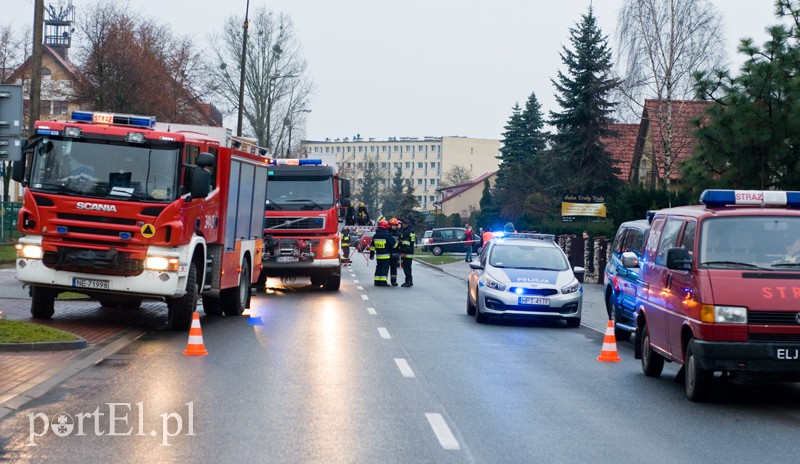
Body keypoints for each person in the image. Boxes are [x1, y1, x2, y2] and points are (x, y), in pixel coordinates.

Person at [370, 219, 396, 286]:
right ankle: (383, 282)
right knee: (384, 268)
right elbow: (394, 245)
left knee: (378, 267)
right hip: (386, 255)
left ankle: (377, 281)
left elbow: (372, 246)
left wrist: (371, 254)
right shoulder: (387, 235)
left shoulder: (375, 235)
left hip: (378, 255)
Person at [398, 220, 416, 287]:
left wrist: (404, 252)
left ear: (405, 224)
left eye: (402, 224)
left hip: (406, 252)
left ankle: (408, 281)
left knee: (406, 267)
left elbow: (406, 243)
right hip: (410, 251)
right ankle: (409, 281)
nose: (402, 225)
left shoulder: (406, 232)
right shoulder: (411, 231)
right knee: (408, 267)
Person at [388, 218, 402, 286]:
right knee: (385, 267)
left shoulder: (398, 234)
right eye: (392, 225)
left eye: (395, 225)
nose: (394, 226)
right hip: (388, 252)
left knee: (394, 268)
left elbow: (400, 243)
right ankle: (384, 280)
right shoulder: (387, 233)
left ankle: (393, 281)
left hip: (395, 253)